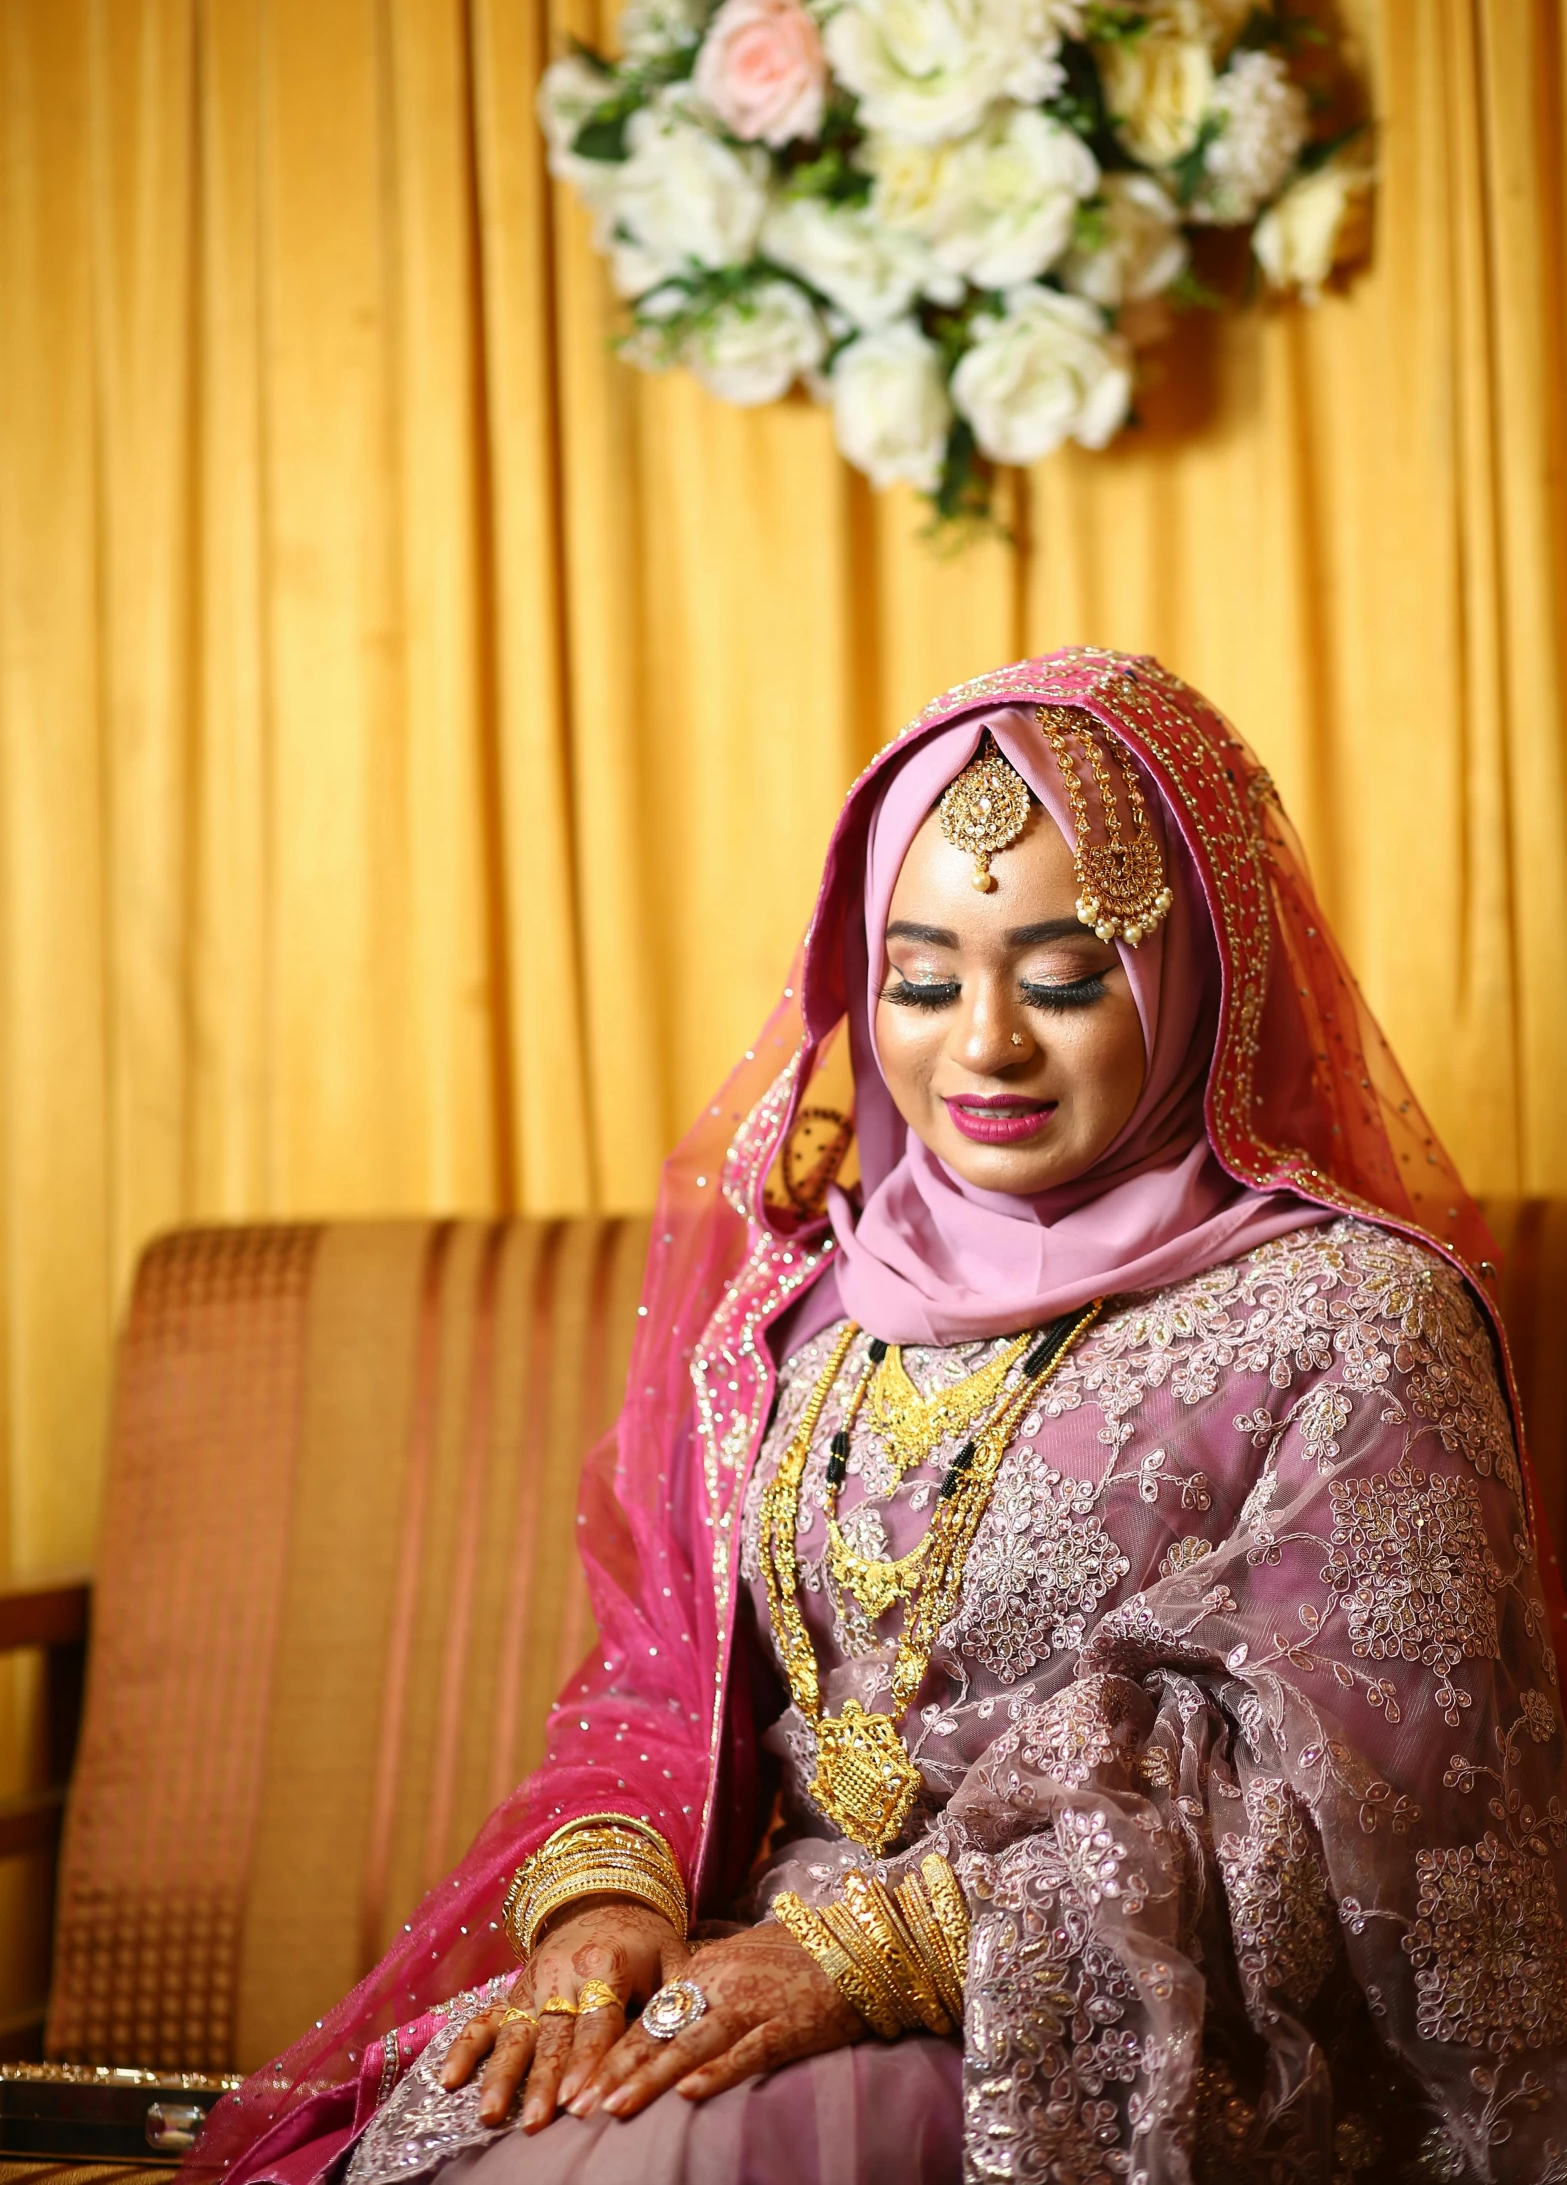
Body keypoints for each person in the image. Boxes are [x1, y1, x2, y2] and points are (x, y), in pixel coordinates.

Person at [203, 653, 1567, 2185]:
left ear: (1198, 981)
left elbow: (1354, 1818)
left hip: (1088, 2031)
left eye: (1061, 979)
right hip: (729, 1975)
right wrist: (605, 1906)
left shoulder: (1357, 1320)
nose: (979, 1044)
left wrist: (871, 1957)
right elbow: (660, 1691)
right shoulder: (798, 1308)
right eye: (919, 979)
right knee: (479, 2134)